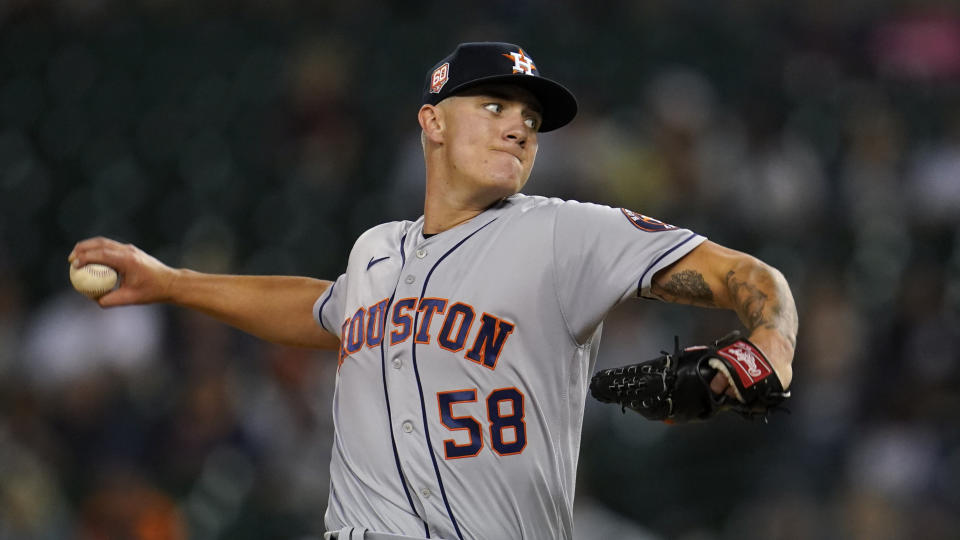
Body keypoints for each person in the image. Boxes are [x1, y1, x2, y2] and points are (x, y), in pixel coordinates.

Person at [69, 42, 797, 540]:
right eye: (495, 106)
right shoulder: (377, 249)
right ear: (432, 122)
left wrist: (765, 357)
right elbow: (322, 310)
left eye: (532, 120)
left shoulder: (570, 234)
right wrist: (173, 283)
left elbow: (752, 279)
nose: (519, 127)